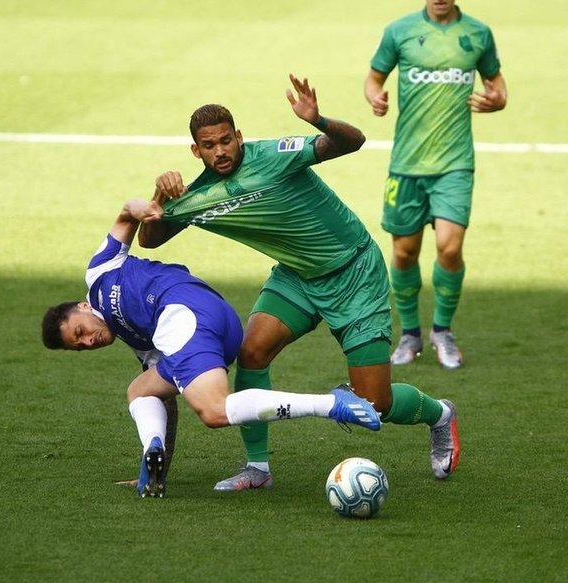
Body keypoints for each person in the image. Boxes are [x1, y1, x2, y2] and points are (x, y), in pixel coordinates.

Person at [138, 73, 460, 491]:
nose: (220, 152)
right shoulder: (195, 196)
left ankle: (440, 414)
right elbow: (149, 239)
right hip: (297, 278)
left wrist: (318, 119)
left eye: (226, 141)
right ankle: (258, 469)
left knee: (373, 404)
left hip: (354, 273)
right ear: (195, 150)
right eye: (209, 146)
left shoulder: (275, 154)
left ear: (238, 136)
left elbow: (353, 140)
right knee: (251, 352)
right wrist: (160, 199)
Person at [41, 199, 382, 498]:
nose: (89, 341)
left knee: (215, 411)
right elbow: (164, 399)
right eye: (81, 345)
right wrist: (160, 467)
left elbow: (126, 215)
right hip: (213, 319)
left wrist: (141, 207)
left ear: (83, 307)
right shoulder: (140, 342)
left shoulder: (99, 273)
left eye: (81, 331)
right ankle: (152, 456)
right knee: (141, 391)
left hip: (181, 313)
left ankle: (331, 403)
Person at [364, 0, 508, 370]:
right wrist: (376, 99)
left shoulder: (478, 34)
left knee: (449, 246)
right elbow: (374, 78)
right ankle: (409, 335)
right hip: (407, 163)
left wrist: (497, 100)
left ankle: (442, 330)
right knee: (405, 253)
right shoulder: (399, 32)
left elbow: (498, 84)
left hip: (455, 163)